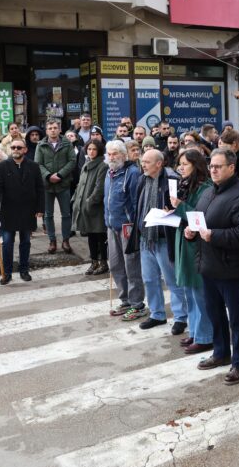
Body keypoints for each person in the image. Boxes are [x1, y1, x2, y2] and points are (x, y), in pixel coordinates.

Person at [187, 148, 239, 385]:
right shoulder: (208, 192)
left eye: (218, 166)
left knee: (237, 319)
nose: (214, 170)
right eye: (211, 166)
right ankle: (220, 352)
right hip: (208, 265)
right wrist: (190, 232)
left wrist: (214, 236)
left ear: (231, 168)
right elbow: (199, 220)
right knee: (215, 314)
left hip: (231, 268)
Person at [132, 150, 188, 333]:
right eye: (142, 161)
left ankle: (181, 317)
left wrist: (170, 209)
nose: (143, 165)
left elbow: (178, 206)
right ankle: (157, 314)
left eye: (147, 162)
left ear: (159, 164)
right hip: (146, 238)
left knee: (172, 281)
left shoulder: (171, 179)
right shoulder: (142, 179)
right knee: (149, 279)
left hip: (164, 238)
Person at [170, 149, 215, 353]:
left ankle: (206, 337)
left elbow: (200, 216)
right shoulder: (186, 184)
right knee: (189, 291)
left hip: (196, 244)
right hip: (184, 240)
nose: (181, 168)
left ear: (196, 166)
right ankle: (196, 332)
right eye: (180, 164)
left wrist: (179, 207)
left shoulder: (205, 187)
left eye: (185, 164)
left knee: (199, 293)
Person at [104, 140, 147, 320]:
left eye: (115, 153)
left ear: (124, 155)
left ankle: (137, 304)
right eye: (109, 154)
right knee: (115, 264)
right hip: (111, 225)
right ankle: (125, 301)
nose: (112, 157)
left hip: (127, 226)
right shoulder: (109, 172)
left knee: (132, 265)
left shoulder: (132, 173)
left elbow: (137, 203)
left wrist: (137, 227)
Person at [0, 138, 45, 285]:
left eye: (19, 147)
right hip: (8, 210)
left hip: (28, 210)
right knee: (8, 242)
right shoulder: (2, 166)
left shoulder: (34, 166)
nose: (15, 149)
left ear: (25, 150)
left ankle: (24, 270)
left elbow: (40, 188)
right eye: (13, 147)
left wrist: (40, 208)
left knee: (26, 242)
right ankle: (7, 273)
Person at [36, 118, 77, 254]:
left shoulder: (67, 143)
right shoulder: (41, 145)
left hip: (63, 183)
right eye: (50, 128)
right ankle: (52, 240)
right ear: (46, 130)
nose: (53, 130)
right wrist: (48, 176)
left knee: (66, 214)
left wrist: (60, 175)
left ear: (59, 129)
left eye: (55, 128)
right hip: (47, 185)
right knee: (48, 215)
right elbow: (38, 164)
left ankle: (65, 240)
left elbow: (72, 161)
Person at [73, 139, 109, 276]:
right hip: (85, 207)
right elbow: (81, 184)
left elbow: (99, 188)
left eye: (94, 149)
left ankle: (103, 262)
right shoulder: (86, 165)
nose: (91, 151)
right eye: (89, 149)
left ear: (99, 151)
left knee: (100, 236)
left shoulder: (102, 166)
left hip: (96, 208)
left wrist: (89, 202)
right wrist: (76, 200)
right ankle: (94, 262)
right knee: (91, 236)